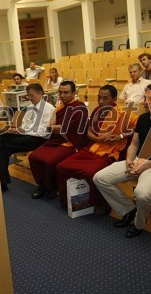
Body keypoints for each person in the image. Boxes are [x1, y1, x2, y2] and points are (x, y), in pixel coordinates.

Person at [93, 84, 151, 238]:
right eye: (145, 97)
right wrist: (130, 160)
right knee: (100, 178)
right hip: (138, 161)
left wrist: (145, 164)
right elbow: (134, 144)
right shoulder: (143, 118)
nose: (145, 102)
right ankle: (129, 210)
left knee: (142, 194)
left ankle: (138, 223)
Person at [55, 85, 138, 213]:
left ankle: (100, 203)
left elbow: (137, 128)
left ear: (114, 98)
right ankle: (69, 199)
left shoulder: (123, 113)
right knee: (62, 166)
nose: (100, 101)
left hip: (110, 152)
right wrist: (98, 139)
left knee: (91, 173)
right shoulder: (96, 111)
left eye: (105, 98)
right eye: (99, 97)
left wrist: (120, 136)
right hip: (92, 148)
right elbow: (88, 131)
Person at [29, 81, 88, 199]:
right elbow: (52, 124)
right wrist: (54, 127)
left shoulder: (80, 108)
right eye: (60, 92)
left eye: (66, 92)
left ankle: (50, 187)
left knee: (50, 162)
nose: (62, 95)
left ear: (74, 93)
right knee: (33, 156)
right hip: (55, 141)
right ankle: (42, 184)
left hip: (70, 143)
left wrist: (54, 127)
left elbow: (66, 130)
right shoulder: (60, 106)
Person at [0, 83, 55, 192]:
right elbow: (25, 124)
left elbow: (43, 131)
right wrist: (17, 130)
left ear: (40, 93)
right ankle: (2, 182)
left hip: (38, 139)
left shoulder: (48, 109)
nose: (29, 98)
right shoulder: (30, 107)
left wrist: (23, 131)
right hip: (26, 136)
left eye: (31, 95)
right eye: (28, 95)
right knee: (3, 148)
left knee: (2, 141)